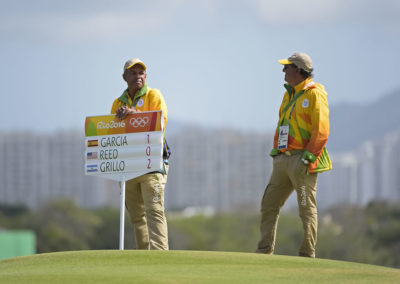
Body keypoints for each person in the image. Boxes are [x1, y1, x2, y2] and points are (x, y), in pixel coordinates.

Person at [256, 52, 331, 258]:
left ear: (298, 69)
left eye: (287, 67)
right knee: (269, 205)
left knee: (306, 208)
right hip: (283, 159)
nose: (283, 70)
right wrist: (277, 150)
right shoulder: (288, 93)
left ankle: (307, 253)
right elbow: (283, 124)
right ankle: (264, 251)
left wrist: (309, 156)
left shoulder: (314, 94)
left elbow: (322, 130)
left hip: (302, 160)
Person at [111, 58, 170, 250]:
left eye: (141, 73)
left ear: (146, 76)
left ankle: (159, 255)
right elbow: (112, 132)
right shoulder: (117, 102)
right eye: (133, 73)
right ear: (124, 77)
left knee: (155, 210)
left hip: (153, 164)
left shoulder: (154, 95)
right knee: (136, 216)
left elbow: (158, 122)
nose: (138, 77)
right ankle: (144, 257)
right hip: (129, 167)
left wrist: (132, 113)